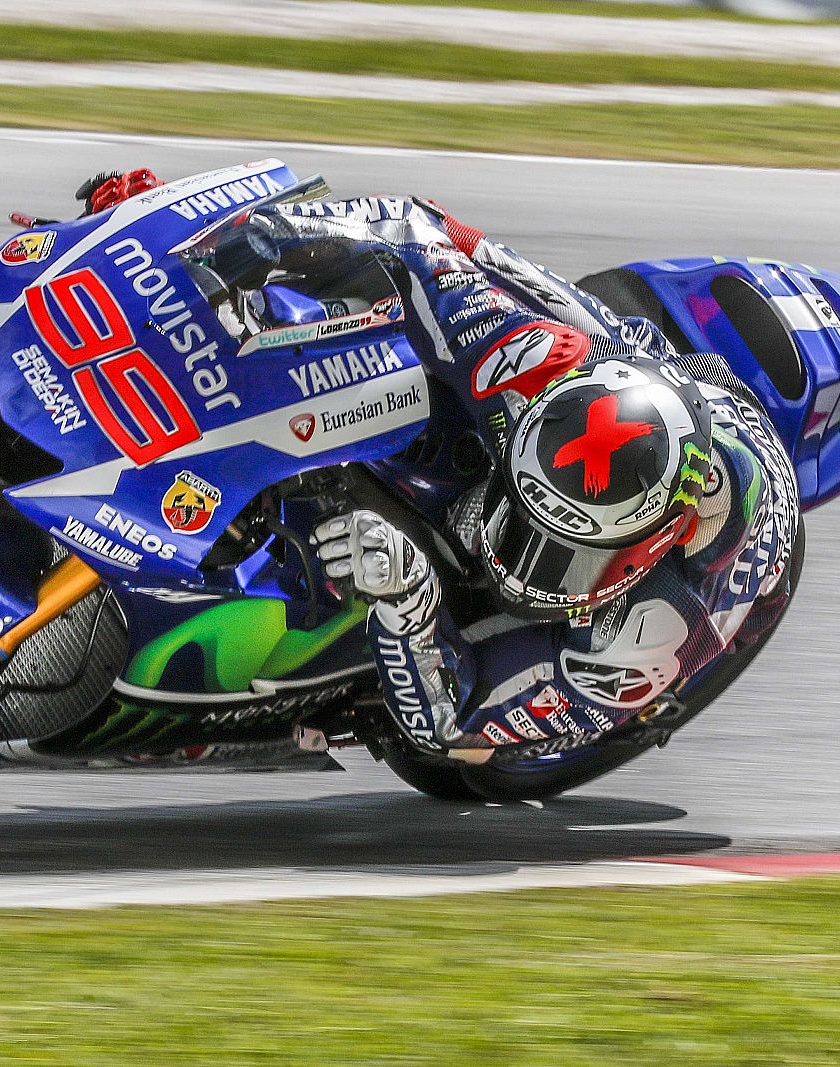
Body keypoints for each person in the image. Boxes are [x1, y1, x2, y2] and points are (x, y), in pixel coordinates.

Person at [76, 169, 803, 771]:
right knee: (375, 311)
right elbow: (416, 231)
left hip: (677, 600)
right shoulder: (531, 363)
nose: (519, 551)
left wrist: (410, 602)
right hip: (636, 373)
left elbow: (453, 725)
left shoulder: (649, 628)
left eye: (560, 551)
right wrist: (235, 243)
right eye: (523, 518)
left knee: (469, 746)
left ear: (640, 551)